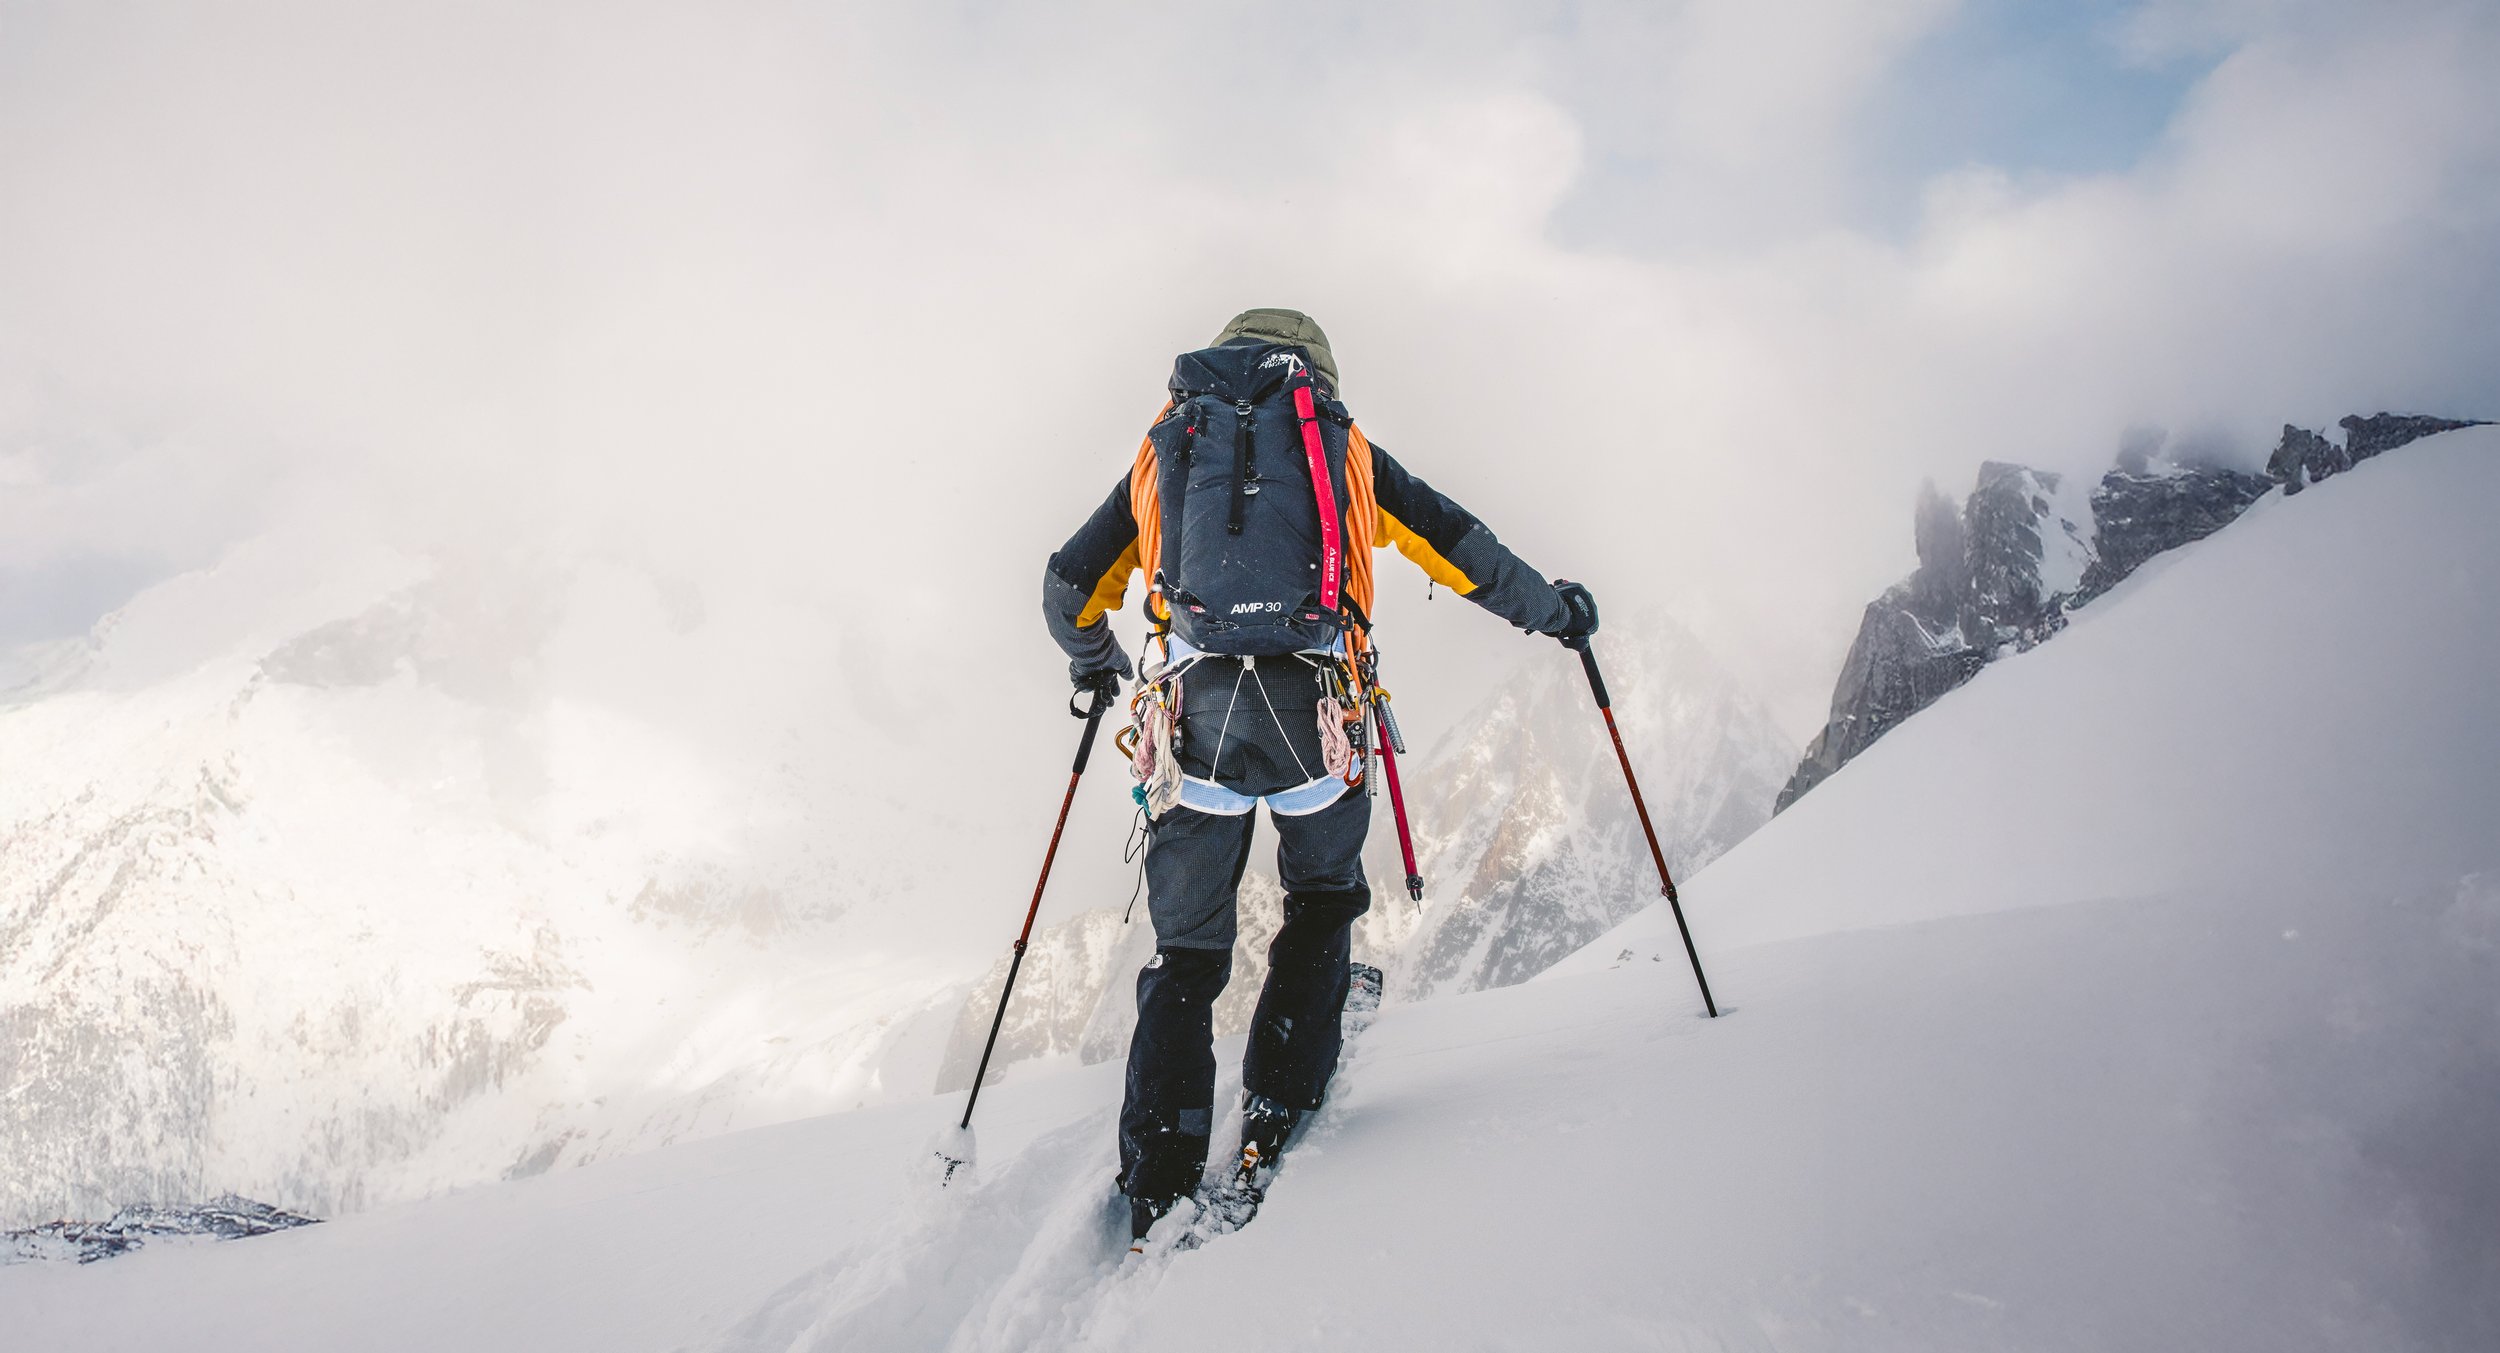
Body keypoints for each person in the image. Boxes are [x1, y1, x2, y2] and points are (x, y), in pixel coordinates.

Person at [1040, 308, 1598, 1242]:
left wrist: (1097, 662)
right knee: (1323, 897)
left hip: (1192, 723)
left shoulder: (1164, 449)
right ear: (1318, 377)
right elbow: (1464, 551)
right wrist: (1558, 613)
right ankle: (1277, 1099)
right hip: (1320, 718)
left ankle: (1160, 1170)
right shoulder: (1344, 451)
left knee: (1187, 956)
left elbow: (1067, 585)